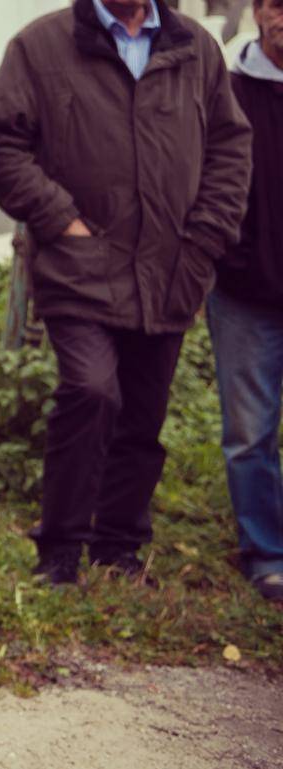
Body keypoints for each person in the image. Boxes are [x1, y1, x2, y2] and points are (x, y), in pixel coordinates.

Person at [0, 0, 253, 585]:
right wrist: (60, 219)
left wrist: (204, 237)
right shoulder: (41, 46)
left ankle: (119, 549)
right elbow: (1, 145)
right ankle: (58, 552)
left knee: (142, 416)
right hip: (79, 262)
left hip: (171, 265)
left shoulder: (195, 48)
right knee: (91, 391)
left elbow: (231, 148)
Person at [210, 0, 283, 602]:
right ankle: (266, 554)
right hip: (245, 295)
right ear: (259, 11)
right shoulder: (229, 89)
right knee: (249, 432)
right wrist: (225, 256)